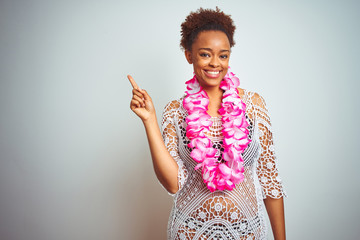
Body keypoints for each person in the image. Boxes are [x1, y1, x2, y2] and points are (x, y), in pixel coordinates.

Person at [128, 7, 287, 240]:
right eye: (205, 54)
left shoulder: (253, 105)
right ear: (189, 55)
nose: (215, 64)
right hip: (190, 231)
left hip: (247, 233)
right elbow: (173, 184)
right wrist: (149, 120)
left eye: (223, 55)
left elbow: (270, 180)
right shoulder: (175, 111)